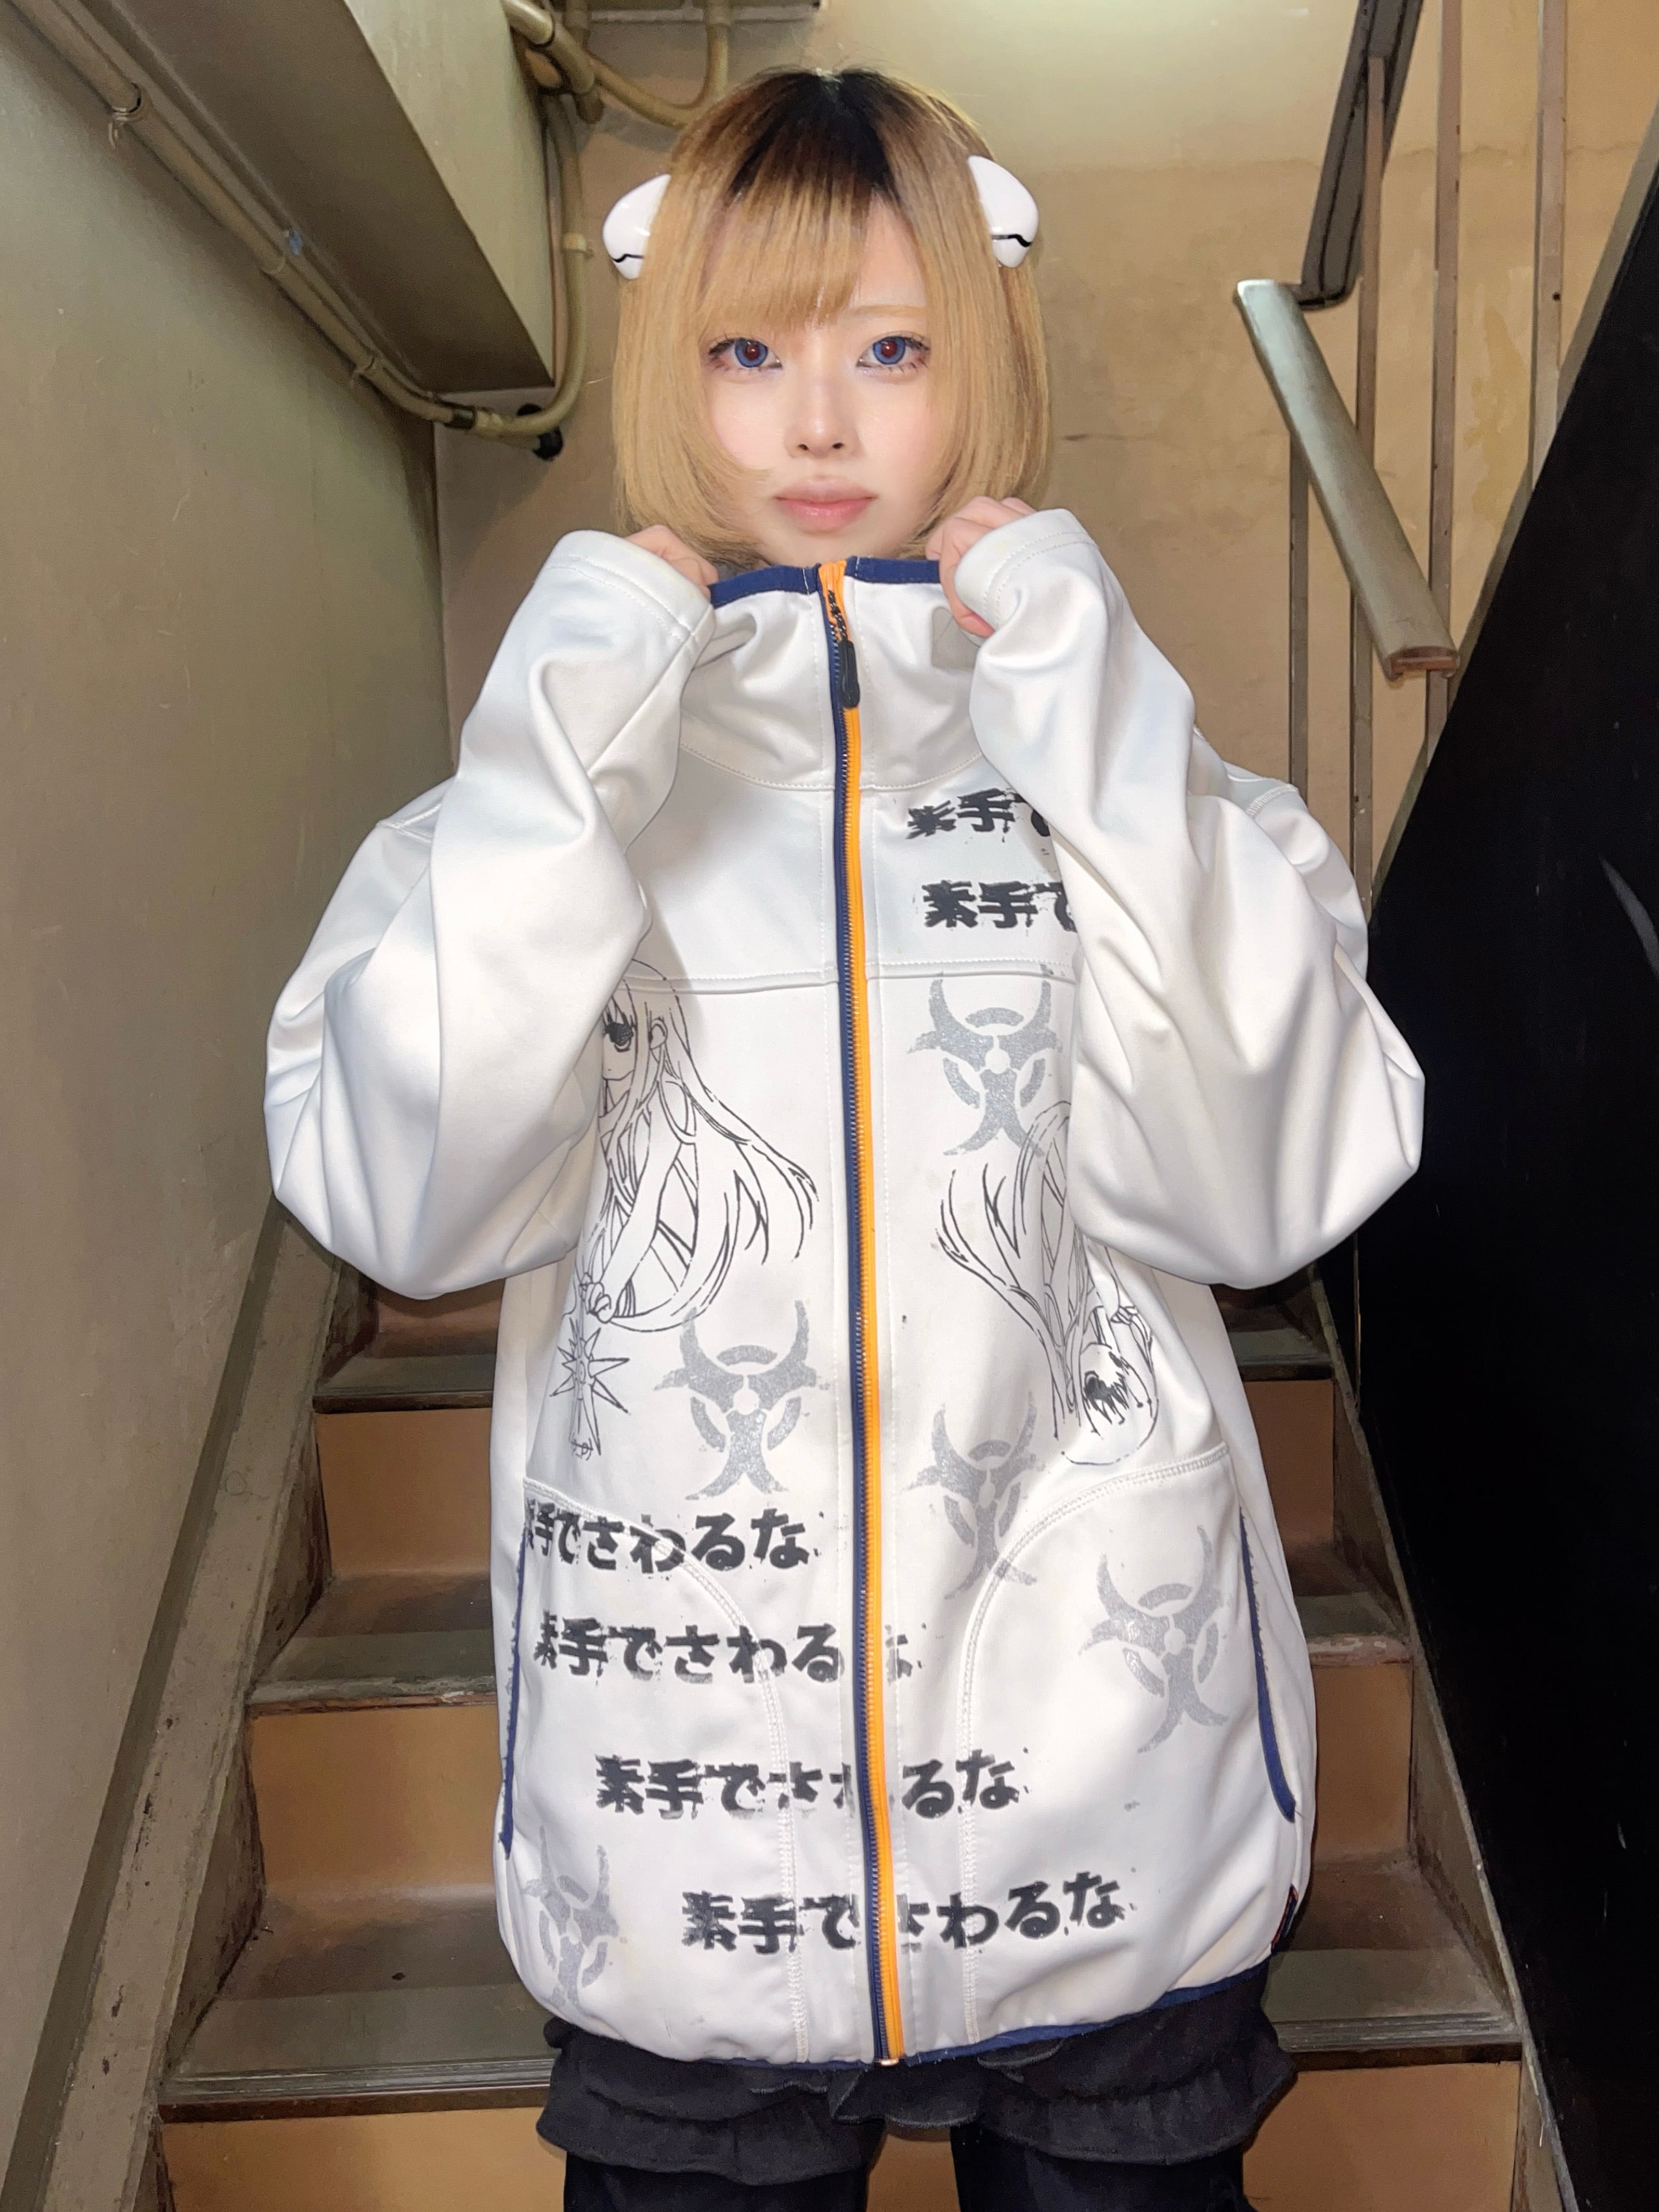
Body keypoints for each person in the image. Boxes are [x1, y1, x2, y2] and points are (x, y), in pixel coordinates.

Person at [265, 66, 1422, 2212]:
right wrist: (565, 738)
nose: (815, 424)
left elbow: (1259, 1195)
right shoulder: (506, 815)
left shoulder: (1169, 794)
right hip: (689, 1837)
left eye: (889, 350)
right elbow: (406, 1205)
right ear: (667, 370)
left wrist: (1090, 713)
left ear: (982, 353)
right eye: (744, 351)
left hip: (1109, 1809)